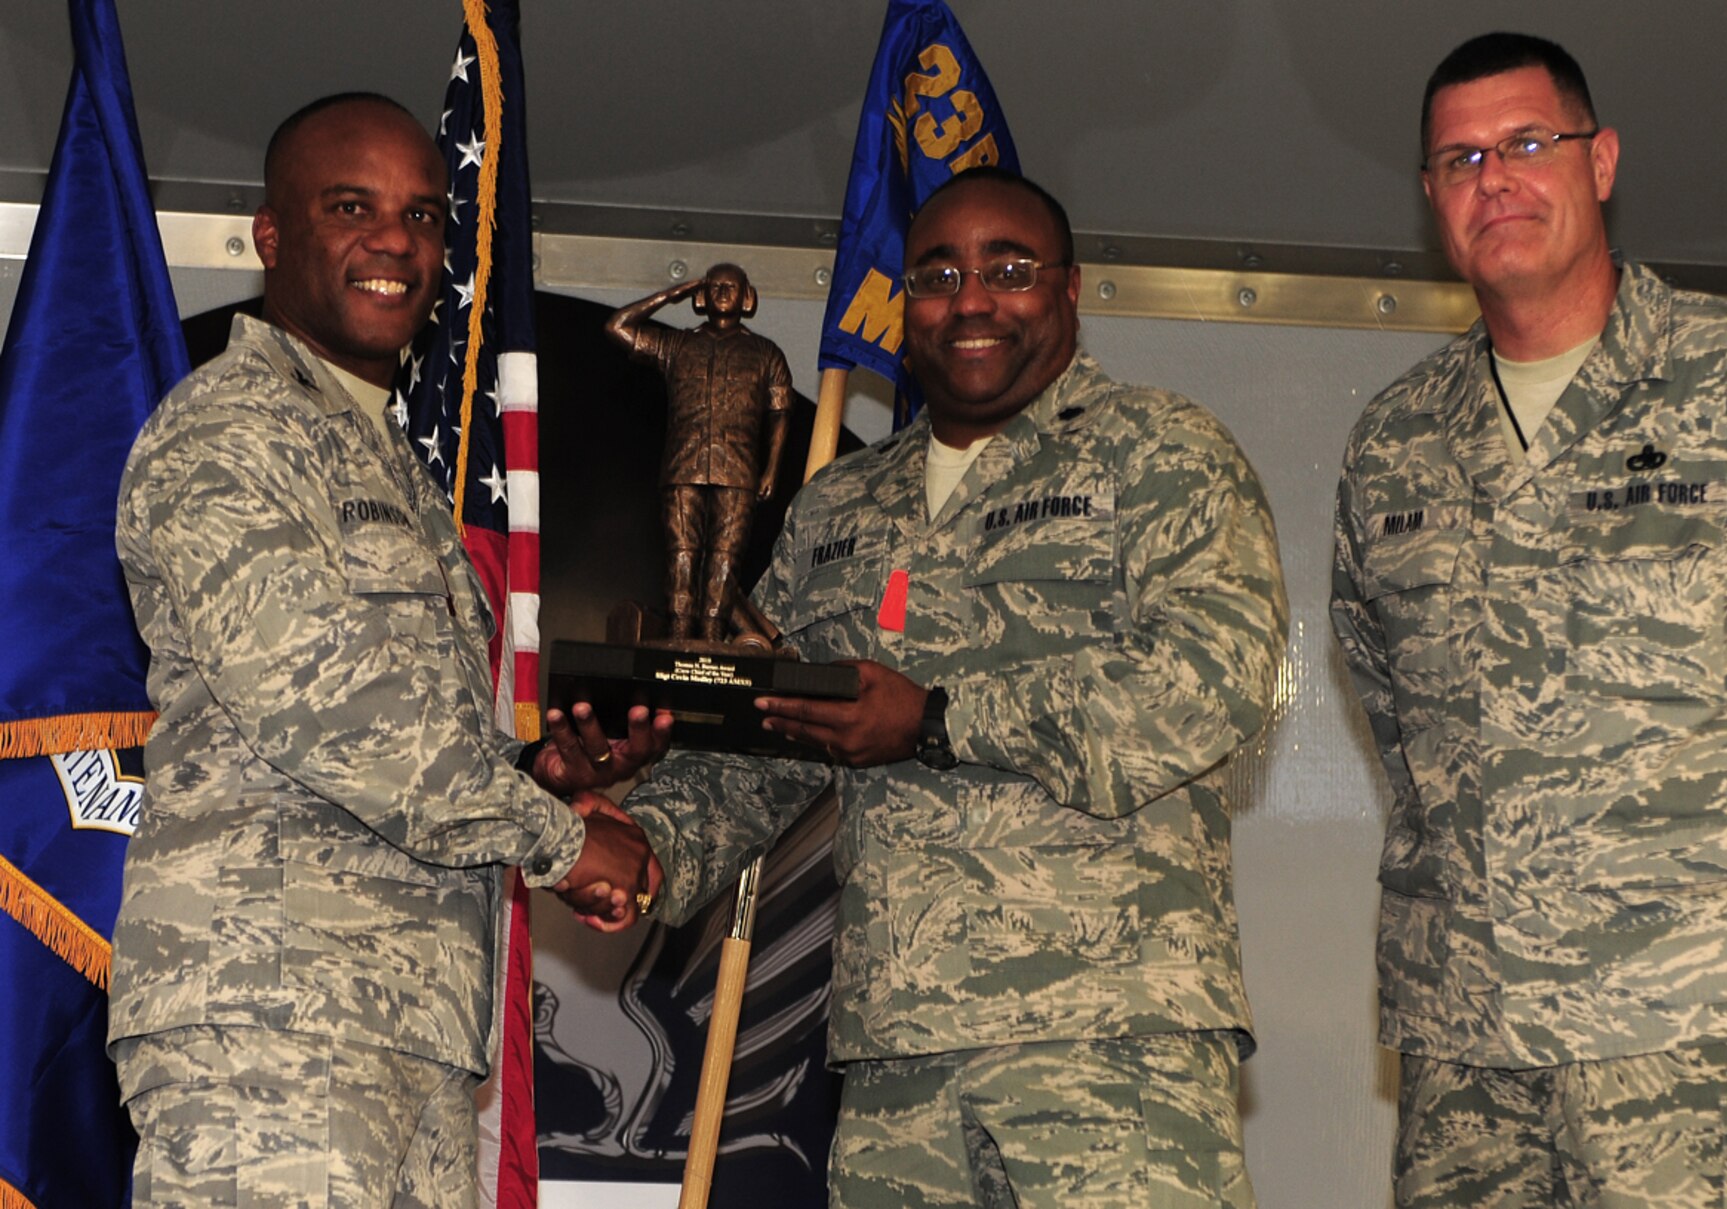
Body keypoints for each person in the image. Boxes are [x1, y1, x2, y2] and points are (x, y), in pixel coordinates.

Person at [1328, 33, 1727, 1208]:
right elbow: (1388, 692)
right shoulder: (1393, 442)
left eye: (1526, 143)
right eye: (1458, 159)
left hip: (1707, 1032)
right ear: (1428, 197)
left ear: (1600, 159)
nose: (1493, 180)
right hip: (1467, 1043)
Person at [620, 167, 1288, 1207]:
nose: (970, 299)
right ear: (905, 304)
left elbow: (1209, 681)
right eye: (936, 275)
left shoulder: (1161, 450)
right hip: (896, 1058)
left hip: (1109, 1040)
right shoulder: (837, 501)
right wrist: (634, 845)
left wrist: (936, 720)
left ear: (1068, 290)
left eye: (1008, 270)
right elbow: (767, 734)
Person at [108, 93, 666, 1207]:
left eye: (421, 215)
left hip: (401, 1027)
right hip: (268, 1021)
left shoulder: (380, 460)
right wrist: (558, 841)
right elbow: (329, 709)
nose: (395, 241)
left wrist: (536, 781)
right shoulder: (235, 427)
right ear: (273, 237)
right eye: (350, 206)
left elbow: (401, 730)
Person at [605, 263, 792, 641]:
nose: (723, 292)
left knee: (725, 558)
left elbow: (780, 414)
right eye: (715, 286)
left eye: (732, 286)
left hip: (739, 470)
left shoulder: (766, 353)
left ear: (748, 296)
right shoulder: (677, 344)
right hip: (682, 467)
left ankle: (711, 636)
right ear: (701, 296)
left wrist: (771, 469)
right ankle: (678, 634)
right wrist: (669, 295)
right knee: (682, 553)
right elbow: (617, 327)